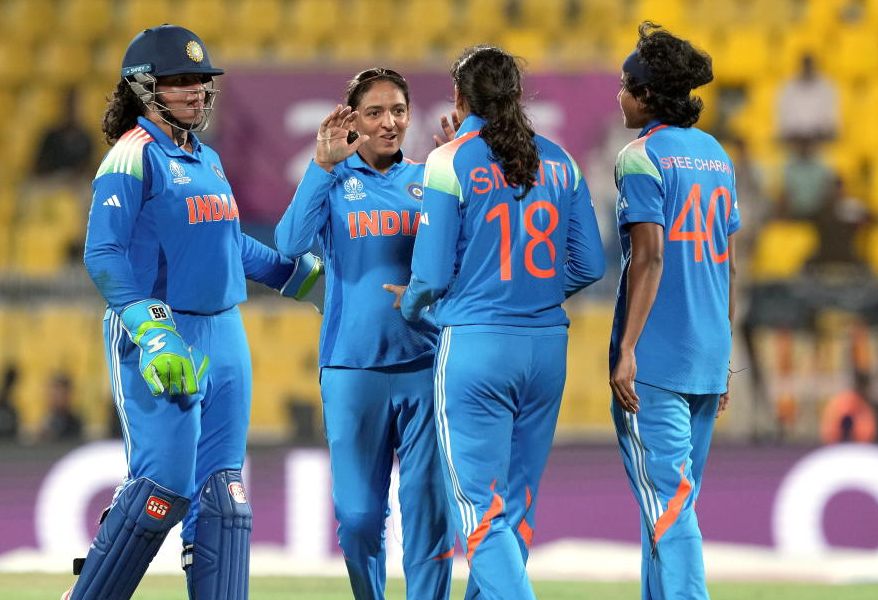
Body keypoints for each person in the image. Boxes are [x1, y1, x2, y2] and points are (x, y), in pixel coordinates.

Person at [65, 25, 322, 600]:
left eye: (201, 81)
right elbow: (102, 251)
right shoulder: (130, 156)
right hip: (164, 331)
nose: (196, 92)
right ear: (144, 88)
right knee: (164, 486)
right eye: (180, 82)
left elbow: (229, 244)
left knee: (224, 495)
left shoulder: (205, 157)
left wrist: (304, 279)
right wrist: (147, 328)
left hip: (225, 331)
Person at [387, 46, 605, 600]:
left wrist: (413, 308)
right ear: (516, 96)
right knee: (517, 505)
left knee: (481, 515)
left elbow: (430, 278)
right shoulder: (562, 160)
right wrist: (525, 295)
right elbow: (590, 264)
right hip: (547, 349)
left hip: (477, 349)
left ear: (459, 97)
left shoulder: (450, 160)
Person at [274, 68, 456, 600]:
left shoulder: (433, 178)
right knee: (357, 518)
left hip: (424, 365)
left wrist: (464, 171)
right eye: (374, 112)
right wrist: (320, 166)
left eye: (398, 110)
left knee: (428, 514)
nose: (389, 122)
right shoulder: (332, 181)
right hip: (352, 369)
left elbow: (467, 259)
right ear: (352, 119)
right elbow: (289, 245)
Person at [608, 22, 739, 600]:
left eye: (625, 86)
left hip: (657, 357)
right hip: (709, 352)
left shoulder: (640, 156)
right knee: (667, 506)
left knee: (668, 505)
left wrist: (628, 348)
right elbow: (728, 264)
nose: (619, 96)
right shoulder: (716, 155)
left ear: (647, 95)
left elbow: (651, 256)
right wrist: (726, 346)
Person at [38, 373, 83, 442]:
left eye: (61, 393)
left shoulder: (75, 423)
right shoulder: (46, 420)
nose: (57, 397)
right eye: (54, 392)